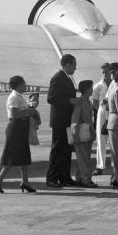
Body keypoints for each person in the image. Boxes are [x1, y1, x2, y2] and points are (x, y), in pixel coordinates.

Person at [0, 76, 37, 193]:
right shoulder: (13, 97)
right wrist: (29, 111)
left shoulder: (19, 96)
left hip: (21, 128)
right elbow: (14, 114)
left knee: (23, 156)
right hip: (16, 128)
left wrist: (31, 107)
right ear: (19, 85)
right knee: (13, 156)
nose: (26, 85)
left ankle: (25, 182)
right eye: (24, 83)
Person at [45, 54, 78, 187]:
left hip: (67, 121)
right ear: (67, 64)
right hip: (60, 121)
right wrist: (70, 101)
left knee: (67, 149)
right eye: (74, 65)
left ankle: (64, 176)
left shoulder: (67, 78)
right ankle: (52, 178)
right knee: (58, 149)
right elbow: (51, 98)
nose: (75, 68)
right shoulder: (58, 78)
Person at [71, 80, 98, 187]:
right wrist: (75, 136)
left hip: (87, 134)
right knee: (84, 159)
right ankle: (86, 180)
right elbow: (75, 120)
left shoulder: (88, 101)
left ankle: (79, 178)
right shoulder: (81, 102)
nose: (93, 89)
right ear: (87, 90)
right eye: (91, 88)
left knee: (83, 158)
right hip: (81, 135)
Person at [90, 63, 113, 176]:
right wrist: (101, 110)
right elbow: (94, 103)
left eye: (107, 71)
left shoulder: (114, 84)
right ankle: (99, 166)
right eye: (103, 72)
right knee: (101, 139)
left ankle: (116, 166)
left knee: (114, 139)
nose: (105, 74)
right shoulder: (98, 86)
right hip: (102, 111)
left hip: (113, 112)